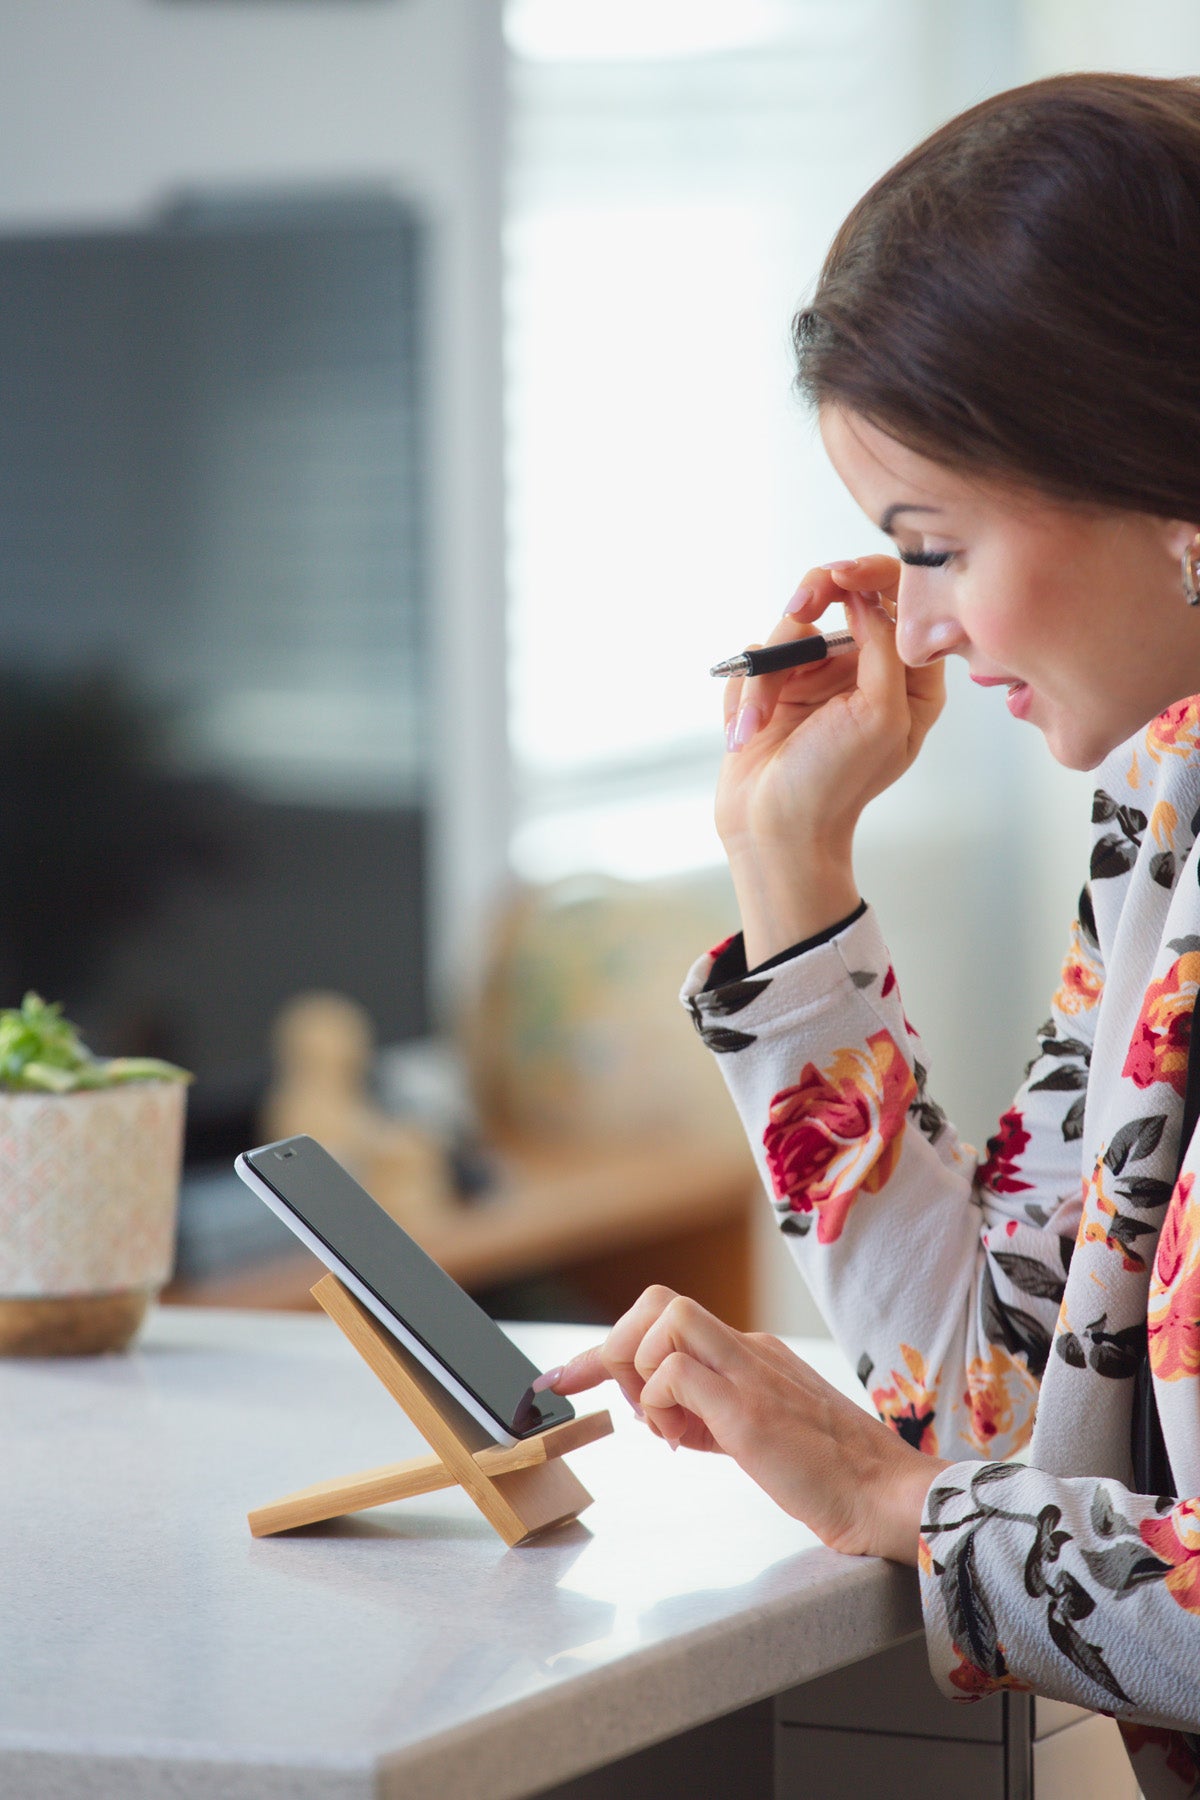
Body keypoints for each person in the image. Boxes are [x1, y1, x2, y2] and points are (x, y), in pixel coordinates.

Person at [531, 72, 1200, 1797]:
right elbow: (1005, 1414)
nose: (916, 625)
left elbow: (957, 1486)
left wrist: (893, 1501)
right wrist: (789, 854)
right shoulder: (1167, 821)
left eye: (938, 545)